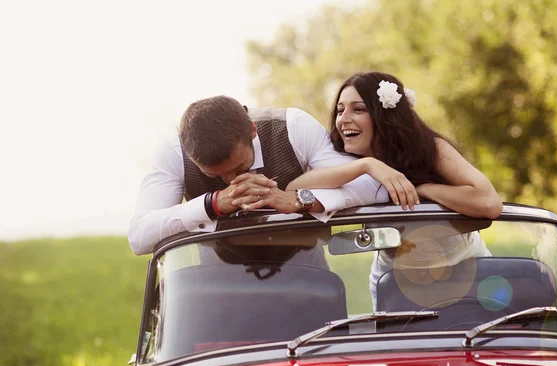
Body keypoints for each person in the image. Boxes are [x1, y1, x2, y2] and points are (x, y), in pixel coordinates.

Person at [266, 71, 503, 309]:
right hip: (395, 281)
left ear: (384, 116)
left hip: (466, 271)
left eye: (358, 109)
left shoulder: (430, 149)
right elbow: (296, 188)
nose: (343, 119)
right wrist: (367, 165)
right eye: (340, 110)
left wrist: (425, 189)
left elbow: (489, 203)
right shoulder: (350, 162)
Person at [128, 95, 387, 255]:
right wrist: (213, 203)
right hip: (212, 279)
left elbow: (375, 187)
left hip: (306, 269)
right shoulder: (173, 149)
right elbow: (139, 237)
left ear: (253, 130)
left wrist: (298, 199)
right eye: (214, 174)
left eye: (240, 167)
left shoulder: (293, 127)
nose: (233, 182)